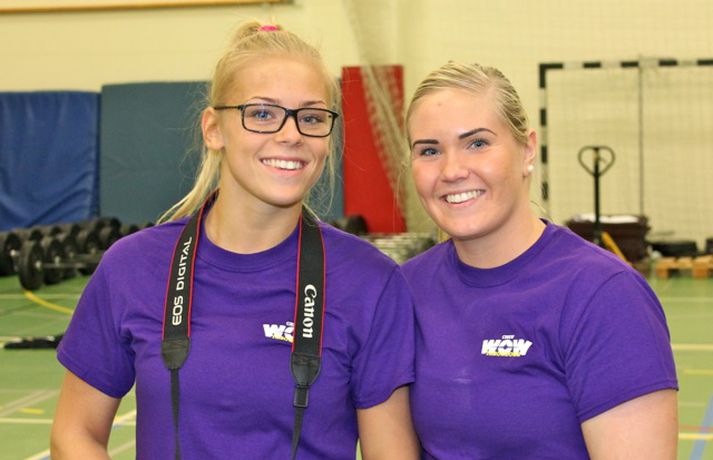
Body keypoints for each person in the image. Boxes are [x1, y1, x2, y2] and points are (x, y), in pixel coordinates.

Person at [51, 22, 418, 460]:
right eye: (262, 113)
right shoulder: (133, 267)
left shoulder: (371, 281)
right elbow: (75, 433)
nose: (291, 134)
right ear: (213, 129)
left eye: (311, 117)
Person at [402, 61, 678, 459]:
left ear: (527, 150)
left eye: (477, 143)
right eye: (429, 150)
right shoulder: (405, 290)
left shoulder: (604, 295)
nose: (452, 170)